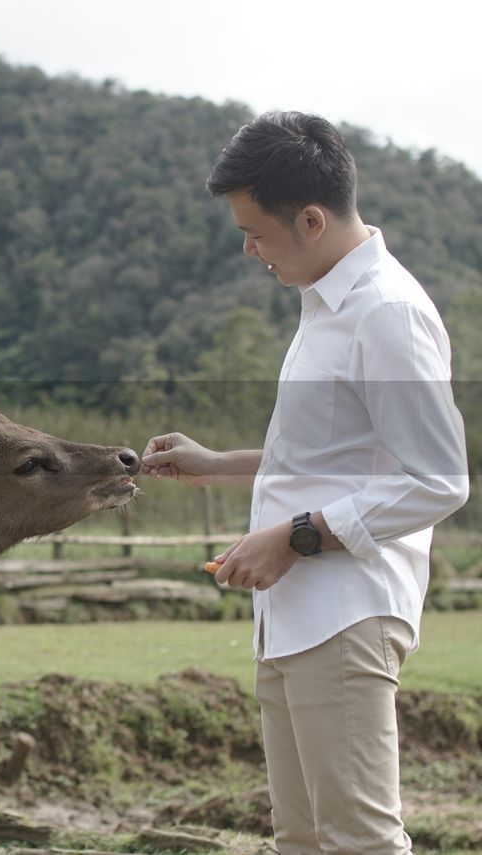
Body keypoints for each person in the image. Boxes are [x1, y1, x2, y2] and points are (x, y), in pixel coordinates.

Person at [142, 112, 469, 854]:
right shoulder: (324, 304)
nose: (248, 247)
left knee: (357, 840)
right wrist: (217, 461)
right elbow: (337, 453)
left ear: (312, 219)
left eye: (255, 231)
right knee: (302, 838)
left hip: (346, 615)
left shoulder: (386, 311)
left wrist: (294, 537)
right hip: (291, 618)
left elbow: (439, 478)